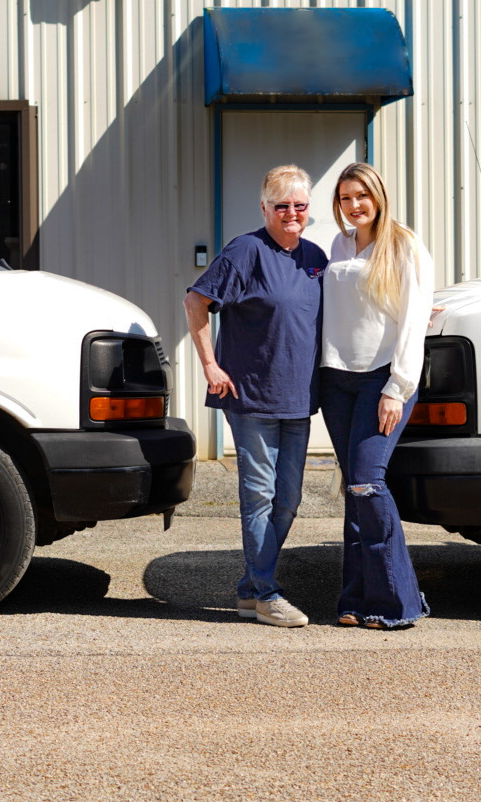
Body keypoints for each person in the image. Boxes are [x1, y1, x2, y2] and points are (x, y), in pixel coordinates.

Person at [184, 165, 326, 627]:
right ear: (264, 207)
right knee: (260, 495)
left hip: (298, 397)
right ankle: (267, 594)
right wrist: (210, 363)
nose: (291, 213)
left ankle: (250, 587)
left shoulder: (316, 258)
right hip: (251, 395)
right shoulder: (247, 250)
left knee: (288, 499)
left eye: (299, 205)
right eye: (280, 205)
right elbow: (196, 300)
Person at [318, 161, 434, 629]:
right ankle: (355, 599)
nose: (354, 205)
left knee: (369, 482)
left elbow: (413, 322)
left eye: (361, 196)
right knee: (354, 490)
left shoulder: (404, 245)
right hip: (336, 379)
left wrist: (397, 388)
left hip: (380, 379)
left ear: (378, 196)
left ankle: (398, 602)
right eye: (346, 198)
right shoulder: (338, 244)